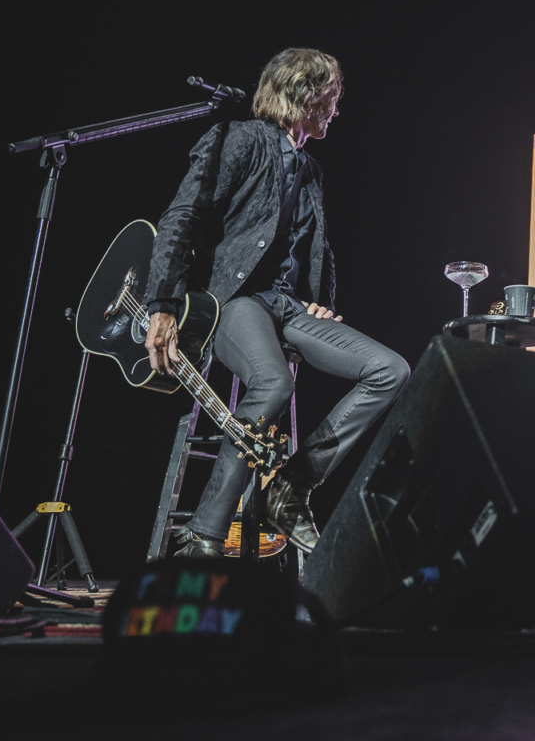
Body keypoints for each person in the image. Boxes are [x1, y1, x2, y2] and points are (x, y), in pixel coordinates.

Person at [143, 48, 410, 566]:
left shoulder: (310, 169)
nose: (335, 110)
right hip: (233, 304)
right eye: (331, 99)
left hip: (286, 308)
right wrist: (164, 304)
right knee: (273, 383)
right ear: (306, 96)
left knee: (390, 370)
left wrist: (322, 304)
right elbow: (181, 217)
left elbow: (315, 249)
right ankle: (203, 535)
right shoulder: (240, 139)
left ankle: (291, 487)